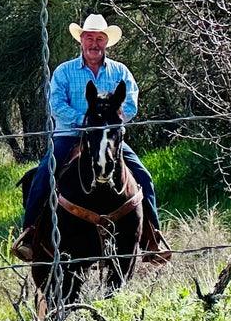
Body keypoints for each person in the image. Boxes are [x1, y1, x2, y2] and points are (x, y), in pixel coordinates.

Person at [13, 13, 170, 261]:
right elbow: (56, 105)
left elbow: (130, 105)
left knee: (143, 176)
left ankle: (153, 238)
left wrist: (108, 122)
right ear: (81, 41)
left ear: (106, 42)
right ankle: (29, 234)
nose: (94, 44)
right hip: (70, 135)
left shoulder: (120, 71)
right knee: (44, 173)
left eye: (99, 38)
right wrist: (85, 122)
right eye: (89, 38)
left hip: (109, 139)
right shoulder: (64, 72)